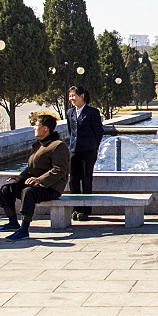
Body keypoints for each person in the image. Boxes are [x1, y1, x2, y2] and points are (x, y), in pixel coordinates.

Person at [0, 113, 70, 242]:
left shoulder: (58, 146)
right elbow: (31, 167)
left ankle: (24, 230)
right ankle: (12, 222)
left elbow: (60, 170)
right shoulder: (38, 144)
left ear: (45, 128)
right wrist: (20, 177)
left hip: (50, 188)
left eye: (36, 125)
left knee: (28, 192)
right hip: (34, 183)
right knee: (7, 189)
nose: (33, 128)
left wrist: (40, 179)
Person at [66, 85, 104, 221]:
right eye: (70, 96)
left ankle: (86, 210)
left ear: (82, 96)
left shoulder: (92, 112)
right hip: (74, 150)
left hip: (88, 151)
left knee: (86, 179)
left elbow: (98, 132)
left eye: (73, 96)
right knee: (73, 180)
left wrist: (93, 146)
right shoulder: (70, 112)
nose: (71, 99)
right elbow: (71, 132)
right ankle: (75, 208)